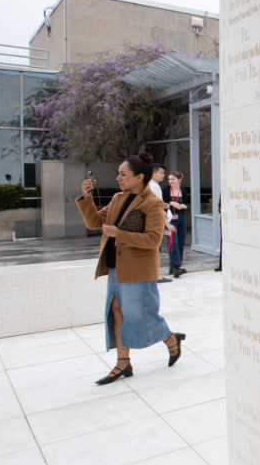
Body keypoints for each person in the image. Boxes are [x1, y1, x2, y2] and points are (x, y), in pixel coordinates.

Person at [76, 152, 186, 385]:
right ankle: (123, 362)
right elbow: (95, 222)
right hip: (117, 268)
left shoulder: (152, 203)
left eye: (123, 174)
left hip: (138, 270)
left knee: (141, 317)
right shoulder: (118, 199)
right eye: (119, 174)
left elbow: (154, 240)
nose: (118, 178)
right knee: (116, 311)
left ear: (139, 177)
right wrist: (86, 198)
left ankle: (170, 338)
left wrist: (120, 234)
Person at [163, 171, 189, 278]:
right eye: (169, 179)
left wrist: (183, 205)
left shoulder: (183, 191)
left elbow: (185, 203)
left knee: (180, 242)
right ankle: (176, 266)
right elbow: (160, 203)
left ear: (179, 179)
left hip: (181, 218)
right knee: (172, 242)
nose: (170, 181)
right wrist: (170, 203)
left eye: (173, 179)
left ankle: (174, 266)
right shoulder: (165, 190)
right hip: (169, 219)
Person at [150, 165, 172, 283]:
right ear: (153, 173)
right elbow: (158, 206)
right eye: (160, 173)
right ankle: (155, 275)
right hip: (156, 222)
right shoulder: (154, 186)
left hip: (151, 221)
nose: (163, 175)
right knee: (156, 249)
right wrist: (166, 222)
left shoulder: (147, 185)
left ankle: (152, 274)